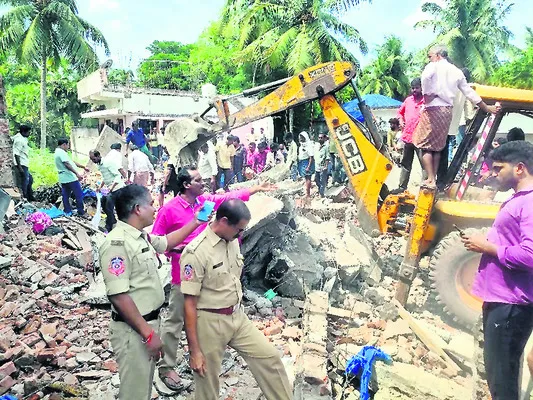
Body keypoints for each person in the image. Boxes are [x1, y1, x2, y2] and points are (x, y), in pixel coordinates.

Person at [151, 166, 275, 391]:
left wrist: (256, 188)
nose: (204, 182)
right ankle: (167, 366)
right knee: (175, 320)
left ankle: (207, 356)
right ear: (187, 184)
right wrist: (177, 250)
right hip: (185, 273)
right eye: (198, 180)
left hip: (214, 275)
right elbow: (157, 242)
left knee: (207, 317)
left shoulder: (204, 202)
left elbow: (228, 198)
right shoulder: (168, 210)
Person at [99, 184, 207, 400]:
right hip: (134, 330)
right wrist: (148, 335)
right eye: (150, 204)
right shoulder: (117, 243)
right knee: (134, 392)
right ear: (138, 209)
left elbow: (166, 242)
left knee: (142, 387)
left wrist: (197, 221)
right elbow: (119, 296)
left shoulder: (140, 236)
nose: (155, 208)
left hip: (146, 325)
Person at [180, 199, 292, 400]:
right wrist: (194, 351)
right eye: (239, 230)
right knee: (207, 383)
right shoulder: (196, 252)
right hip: (210, 321)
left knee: (270, 358)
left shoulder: (232, 242)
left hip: (237, 317)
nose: (241, 234)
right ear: (223, 221)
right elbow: (188, 303)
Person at [461, 141, 533, 400]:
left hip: (512, 303)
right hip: (502, 299)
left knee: (502, 380)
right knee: (499, 375)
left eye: (498, 168)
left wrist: (488, 247)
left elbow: (530, 255)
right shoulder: (518, 200)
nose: (492, 174)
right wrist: (487, 240)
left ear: (520, 168)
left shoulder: (530, 203)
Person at [412, 45, 499, 187]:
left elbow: (426, 77)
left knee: (425, 146)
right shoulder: (457, 71)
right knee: (438, 147)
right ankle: (435, 179)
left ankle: (431, 178)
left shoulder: (432, 67)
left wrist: (427, 94)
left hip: (433, 108)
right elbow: (469, 92)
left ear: (438, 55)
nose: (429, 59)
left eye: (430, 56)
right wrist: (486, 108)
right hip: (447, 111)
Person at [392, 78, 425, 193]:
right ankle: (402, 186)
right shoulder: (408, 101)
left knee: (424, 164)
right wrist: (400, 121)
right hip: (407, 137)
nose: (414, 90)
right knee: (405, 164)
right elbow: (399, 113)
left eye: (417, 88)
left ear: (422, 88)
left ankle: (425, 189)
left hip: (421, 139)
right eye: (413, 88)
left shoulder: (426, 101)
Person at [89, 147, 127, 232]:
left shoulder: (107, 162)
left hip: (117, 188)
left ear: (98, 156)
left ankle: (109, 226)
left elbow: (117, 176)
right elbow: (105, 177)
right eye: (91, 159)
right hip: (110, 188)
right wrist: (100, 187)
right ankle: (112, 220)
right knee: (103, 202)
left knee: (109, 205)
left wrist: (111, 187)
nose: (93, 161)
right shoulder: (99, 165)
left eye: (93, 158)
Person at [54, 138, 89, 217]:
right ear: (64, 145)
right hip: (70, 177)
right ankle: (81, 211)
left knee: (65, 195)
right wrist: (77, 173)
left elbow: (71, 162)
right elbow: (67, 164)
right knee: (78, 194)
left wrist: (83, 167)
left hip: (63, 178)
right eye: (68, 145)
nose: (68, 147)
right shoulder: (61, 153)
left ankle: (67, 211)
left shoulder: (59, 152)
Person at [12, 124, 34, 200]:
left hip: (24, 163)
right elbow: (16, 154)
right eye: (28, 132)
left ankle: (29, 196)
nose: (29, 134)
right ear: (24, 132)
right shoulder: (19, 140)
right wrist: (19, 167)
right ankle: (24, 198)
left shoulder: (21, 138)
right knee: (24, 182)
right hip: (21, 164)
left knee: (30, 180)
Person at [297, 131, 315, 197]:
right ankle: (307, 192)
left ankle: (308, 194)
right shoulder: (301, 145)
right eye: (300, 137)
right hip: (302, 162)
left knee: (308, 178)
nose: (301, 138)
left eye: (302, 137)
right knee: (305, 178)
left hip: (307, 162)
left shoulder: (309, 145)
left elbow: (311, 157)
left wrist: (308, 167)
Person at [314, 133, 330, 197]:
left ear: (324, 138)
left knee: (322, 181)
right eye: (319, 138)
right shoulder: (316, 146)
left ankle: (321, 194)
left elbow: (327, 157)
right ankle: (320, 190)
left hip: (323, 167)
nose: (320, 139)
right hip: (317, 167)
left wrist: (326, 166)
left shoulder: (326, 147)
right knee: (316, 180)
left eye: (321, 138)